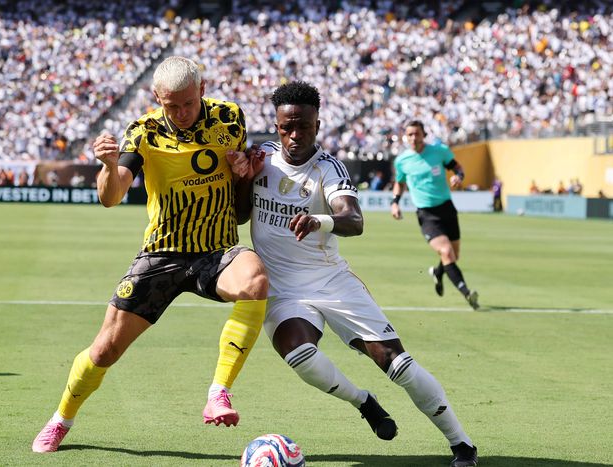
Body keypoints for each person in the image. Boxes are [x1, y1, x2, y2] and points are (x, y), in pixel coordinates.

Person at [32, 56, 269, 453]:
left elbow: (241, 203)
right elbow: (111, 197)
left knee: (256, 279)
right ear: (156, 97)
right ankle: (60, 419)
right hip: (162, 253)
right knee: (104, 349)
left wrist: (243, 171)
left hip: (216, 250)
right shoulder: (143, 131)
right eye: (170, 105)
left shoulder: (230, 119)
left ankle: (218, 393)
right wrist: (108, 166)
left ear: (203, 91)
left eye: (188, 104)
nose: (180, 113)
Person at [235, 81, 478, 467]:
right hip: (282, 287)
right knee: (299, 354)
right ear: (277, 124)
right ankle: (363, 401)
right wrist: (244, 178)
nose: (295, 135)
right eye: (286, 127)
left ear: (318, 123)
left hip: (330, 280)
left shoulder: (329, 169)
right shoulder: (260, 156)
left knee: (397, 363)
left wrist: (319, 220)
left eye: (304, 126)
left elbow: (354, 219)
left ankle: (461, 443)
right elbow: (238, 215)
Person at [391, 120, 479, 310]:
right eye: (410, 134)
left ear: (424, 134)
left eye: (417, 133)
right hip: (426, 213)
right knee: (446, 252)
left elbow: (457, 167)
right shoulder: (402, 161)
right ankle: (467, 293)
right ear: (406, 137)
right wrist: (395, 203)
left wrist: (459, 177)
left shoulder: (439, 151)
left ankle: (438, 273)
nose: (414, 138)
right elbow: (400, 182)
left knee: (454, 255)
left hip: (447, 209)